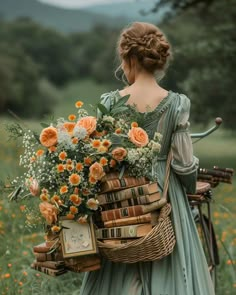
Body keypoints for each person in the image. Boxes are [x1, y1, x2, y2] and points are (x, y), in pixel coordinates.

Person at [80, 22, 215, 295]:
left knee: (121, 259)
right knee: (172, 264)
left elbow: (100, 157)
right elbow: (183, 163)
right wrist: (188, 186)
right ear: (157, 59)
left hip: (121, 200)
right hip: (165, 198)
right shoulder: (176, 103)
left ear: (127, 57)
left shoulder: (109, 101)